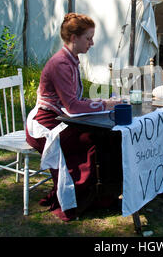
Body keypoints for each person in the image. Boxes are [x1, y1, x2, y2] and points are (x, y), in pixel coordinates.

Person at [25, 13, 122, 221]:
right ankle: (81, 198)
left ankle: (103, 194)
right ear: (74, 38)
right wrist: (106, 104)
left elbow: (74, 101)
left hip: (60, 117)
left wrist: (103, 104)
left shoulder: (71, 60)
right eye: (88, 38)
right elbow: (73, 106)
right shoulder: (61, 63)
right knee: (91, 141)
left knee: (108, 137)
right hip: (45, 123)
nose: (92, 43)